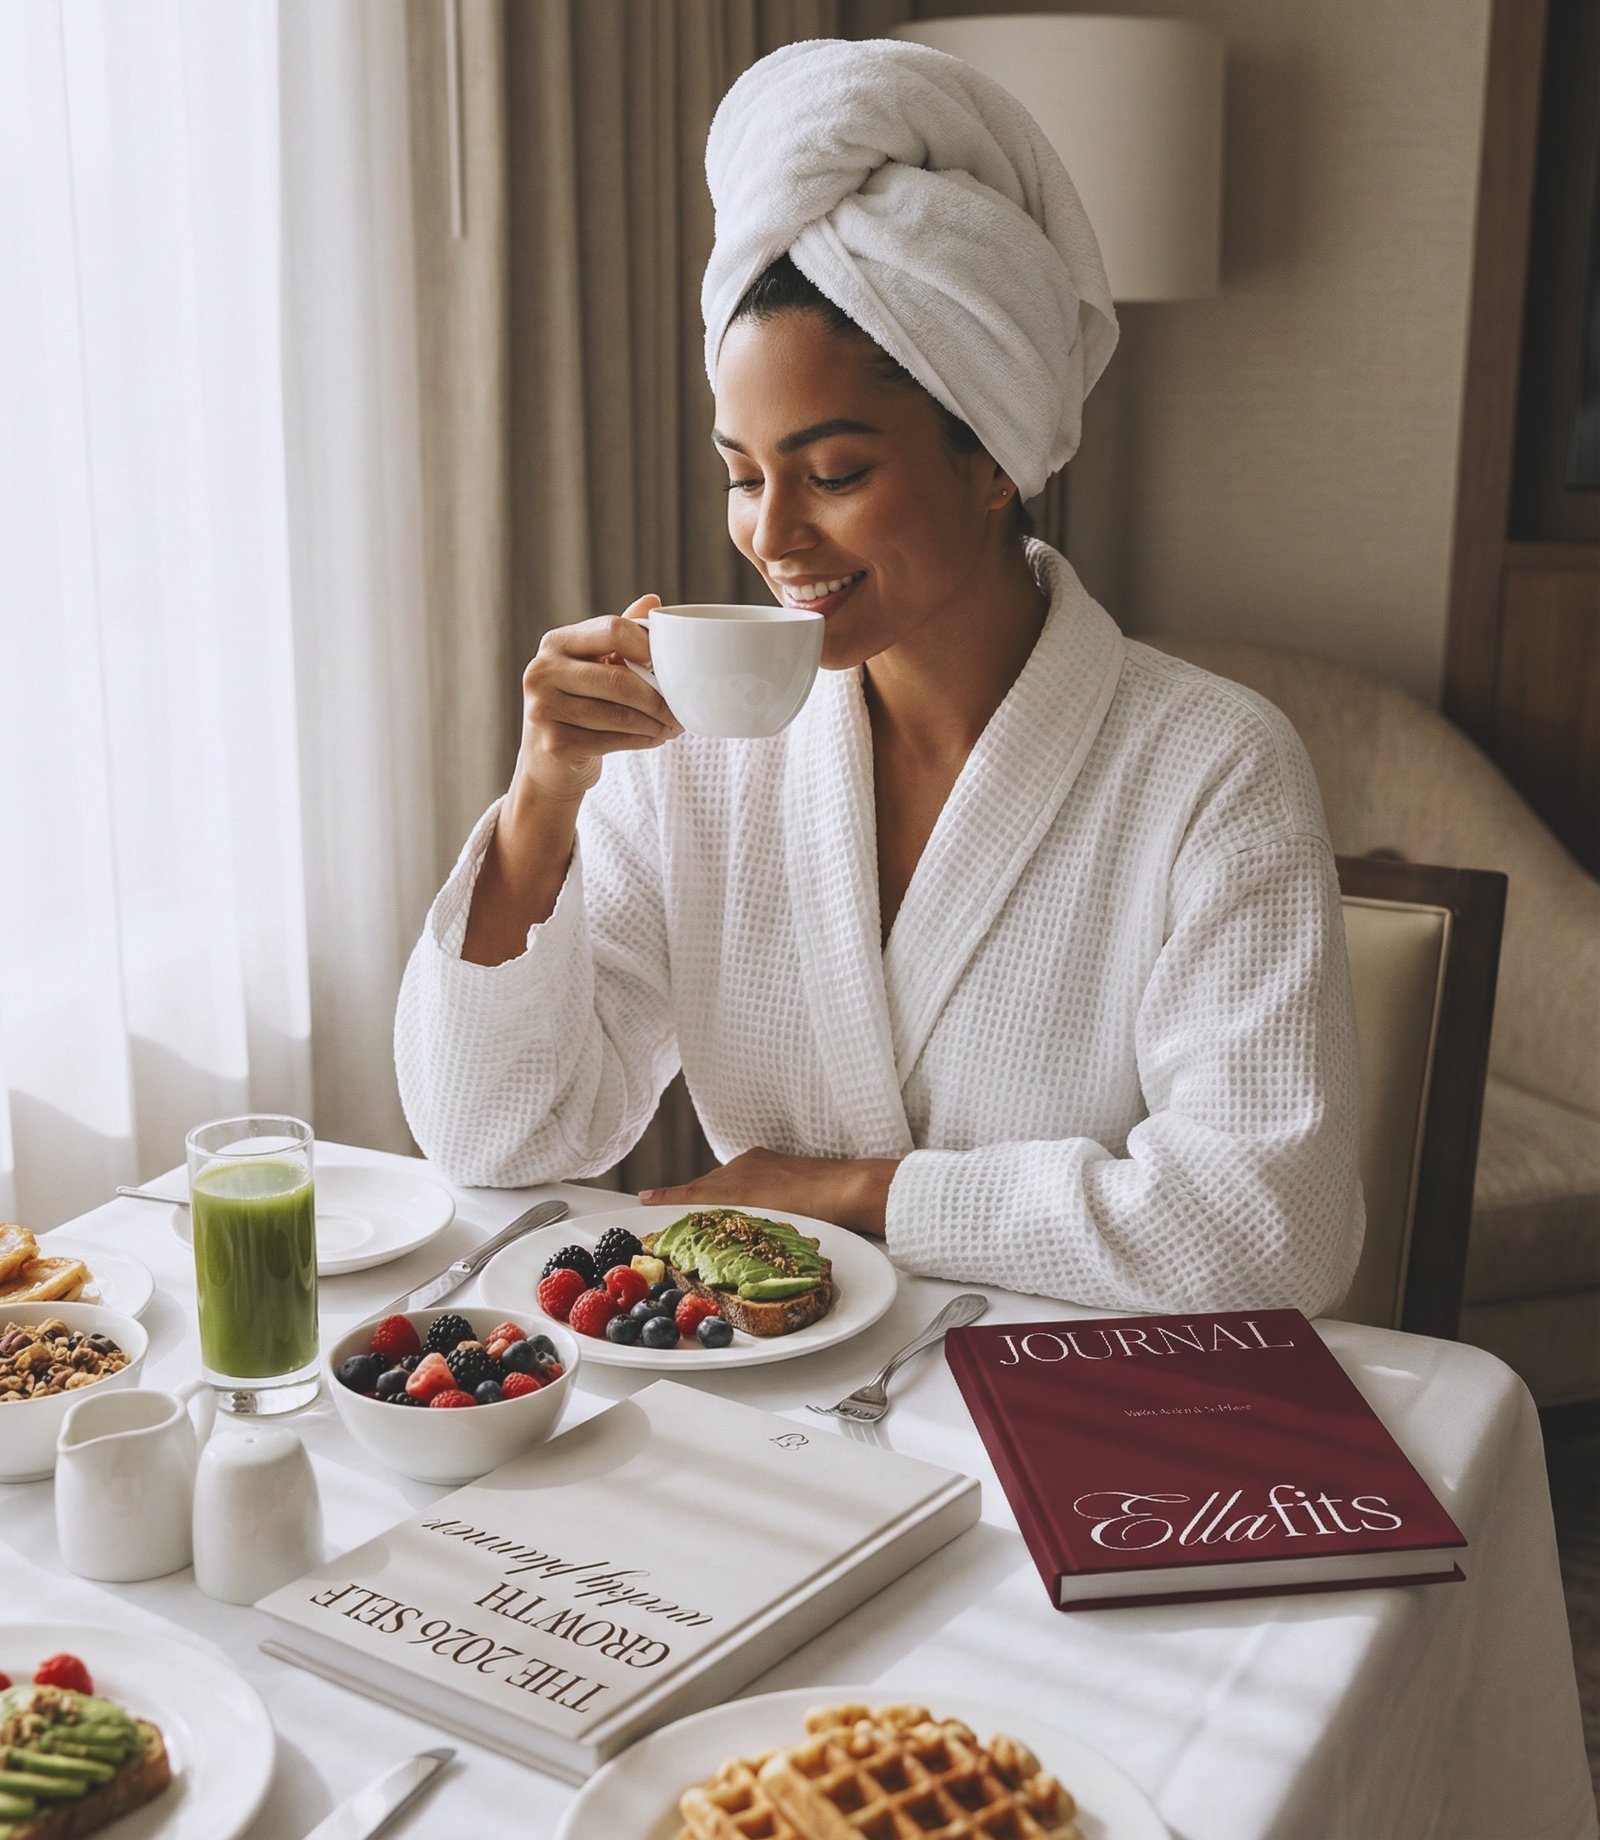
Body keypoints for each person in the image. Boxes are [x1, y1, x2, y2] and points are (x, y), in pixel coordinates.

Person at [395, 38, 1364, 1314]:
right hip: (768, 1399)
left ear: (995, 456)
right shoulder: (690, 756)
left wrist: (857, 1193)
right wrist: (540, 808)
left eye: (835, 471)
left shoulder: (1209, 767)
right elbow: (502, 1142)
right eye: (744, 474)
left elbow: (1264, 1232)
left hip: (1079, 1427)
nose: (771, 536)